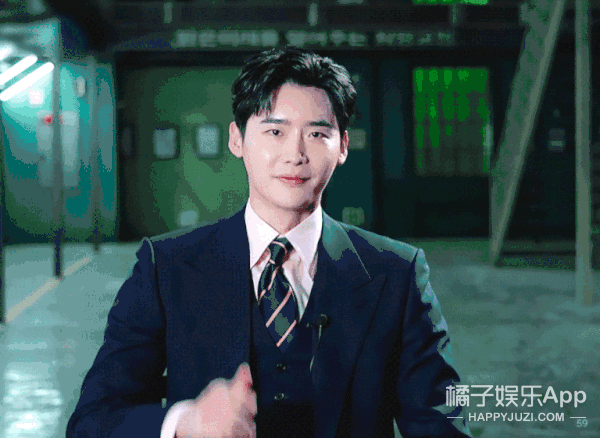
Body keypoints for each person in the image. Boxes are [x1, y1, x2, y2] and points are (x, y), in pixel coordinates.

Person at [66, 47, 472, 438]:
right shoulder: (165, 267)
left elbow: (441, 425)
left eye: (317, 133)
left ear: (343, 147)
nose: (295, 154)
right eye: (275, 131)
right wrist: (186, 423)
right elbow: (92, 420)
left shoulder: (396, 274)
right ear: (237, 139)